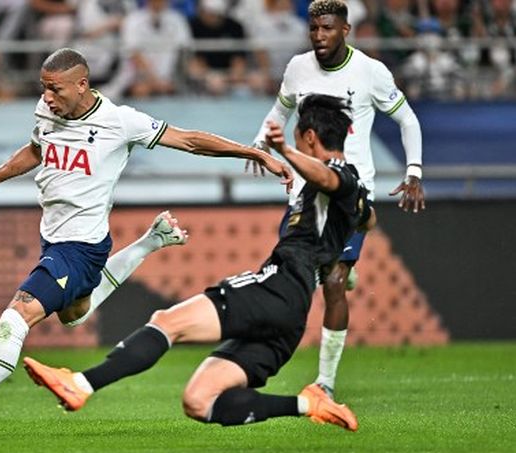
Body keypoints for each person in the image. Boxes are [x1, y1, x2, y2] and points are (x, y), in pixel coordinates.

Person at [0, 47, 289, 436]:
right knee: (74, 316)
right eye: (43, 89)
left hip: (79, 249)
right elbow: (35, 150)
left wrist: (253, 151)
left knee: (14, 320)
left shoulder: (120, 122)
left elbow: (189, 140)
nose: (47, 97)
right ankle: (148, 243)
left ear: (82, 85)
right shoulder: (48, 111)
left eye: (55, 89)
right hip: (56, 240)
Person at [23, 94, 375, 432]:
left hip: (277, 286)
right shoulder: (355, 192)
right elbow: (367, 219)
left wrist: (283, 149)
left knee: (167, 322)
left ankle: (81, 384)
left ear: (308, 136)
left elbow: (328, 178)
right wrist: (338, 248)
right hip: (292, 313)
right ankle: (309, 404)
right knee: (199, 401)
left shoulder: (339, 174)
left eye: (298, 135)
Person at [247, 0, 425, 399]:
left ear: (345, 29)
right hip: (304, 190)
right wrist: (260, 144)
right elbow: (280, 110)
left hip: (349, 189)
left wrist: (413, 171)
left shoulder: (371, 72)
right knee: (292, 282)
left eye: (327, 28)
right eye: (313, 29)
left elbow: (407, 118)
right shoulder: (297, 68)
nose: (319, 36)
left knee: (333, 282)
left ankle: (325, 381)